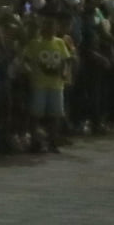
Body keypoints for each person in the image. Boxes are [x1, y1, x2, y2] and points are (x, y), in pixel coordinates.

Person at [21, 13, 75, 152]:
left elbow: (65, 60)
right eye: (47, 26)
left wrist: (65, 73)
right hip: (39, 83)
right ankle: (35, 141)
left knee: (55, 114)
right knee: (36, 113)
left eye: (52, 26)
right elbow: (26, 59)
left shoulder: (59, 42)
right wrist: (28, 71)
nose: (50, 29)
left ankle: (53, 141)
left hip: (56, 84)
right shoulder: (35, 43)